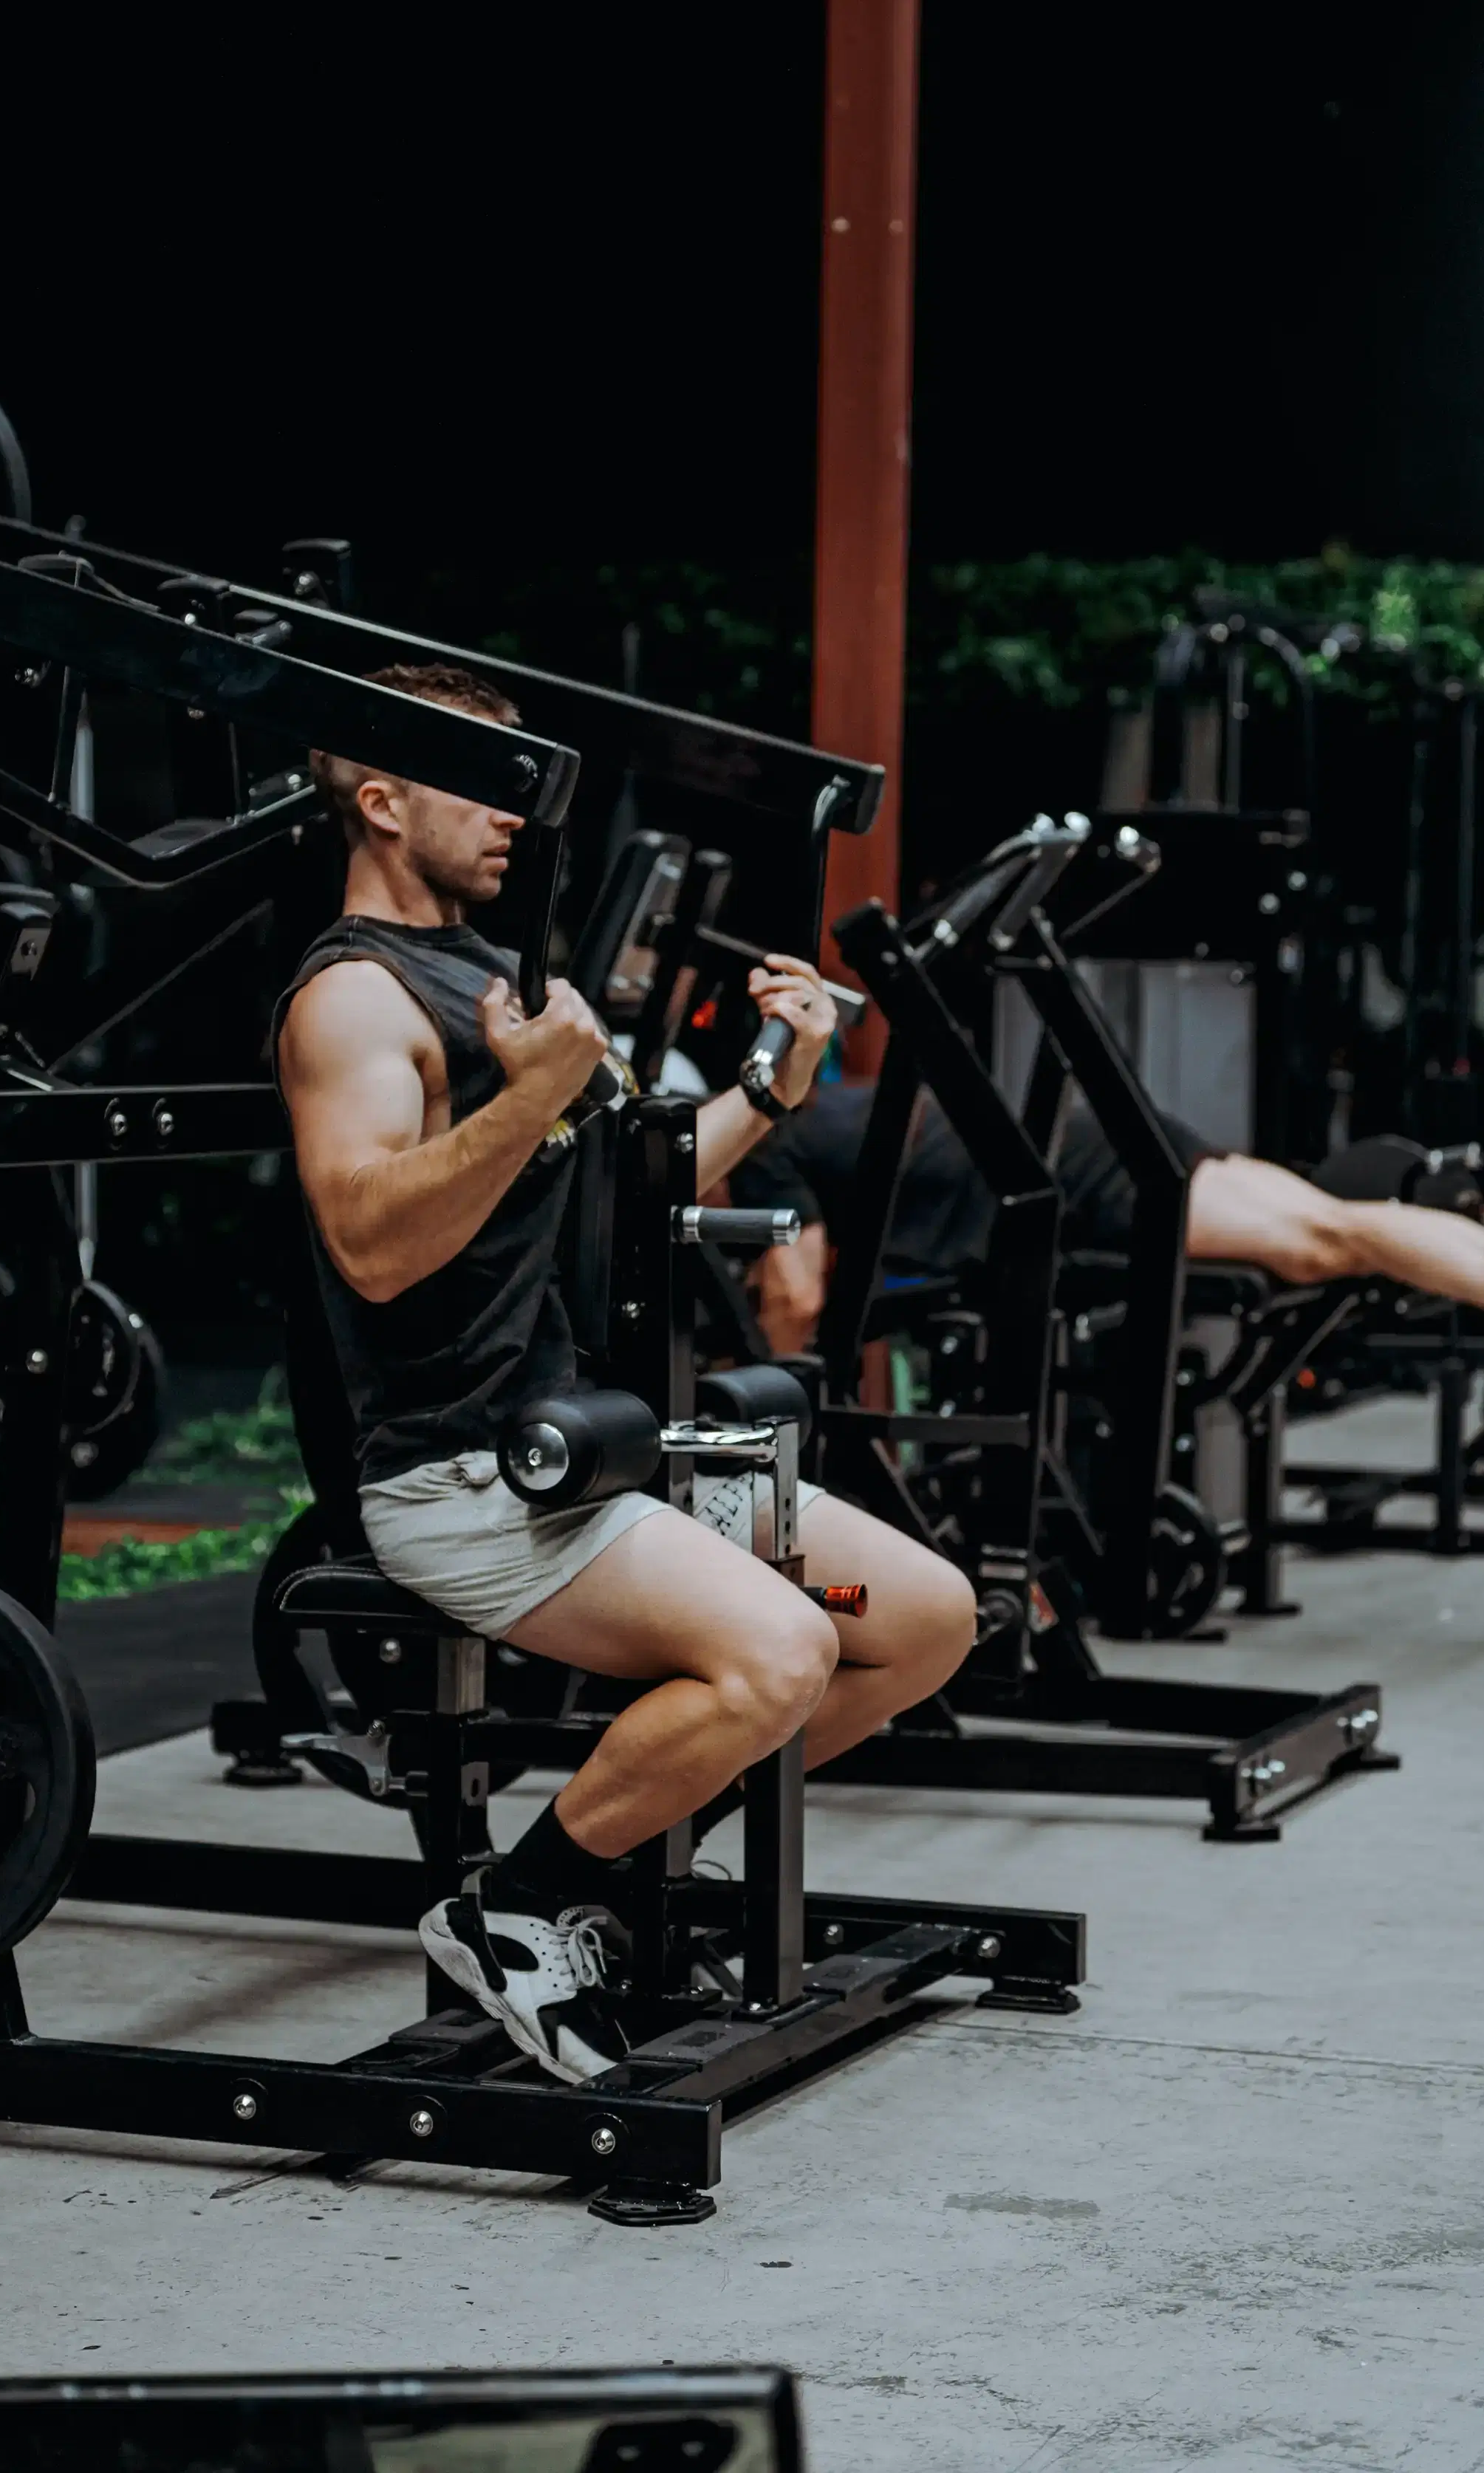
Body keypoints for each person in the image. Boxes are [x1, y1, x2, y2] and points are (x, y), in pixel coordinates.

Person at [273, 661, 977, 2084]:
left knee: (920, 1619)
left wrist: (773, 1088)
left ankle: (618, 1866)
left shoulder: (507, 984)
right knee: (785, 1647)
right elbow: (368, 1245)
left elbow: (621, 1206)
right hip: (460, 1475)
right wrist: (533, 1091)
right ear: (381, 798)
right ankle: (520, 1908)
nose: (519, 817)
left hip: (592, 1449)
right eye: (489, 783)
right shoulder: (354, 1000)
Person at [731, 1081, 1484, 1468]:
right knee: (1328, 1236)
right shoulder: (800, 1114)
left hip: (1083, 1168)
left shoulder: (765, 1150)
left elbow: (794, 1298)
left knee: (1328, 1235)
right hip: (1093, 1137)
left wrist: (748, 1417)